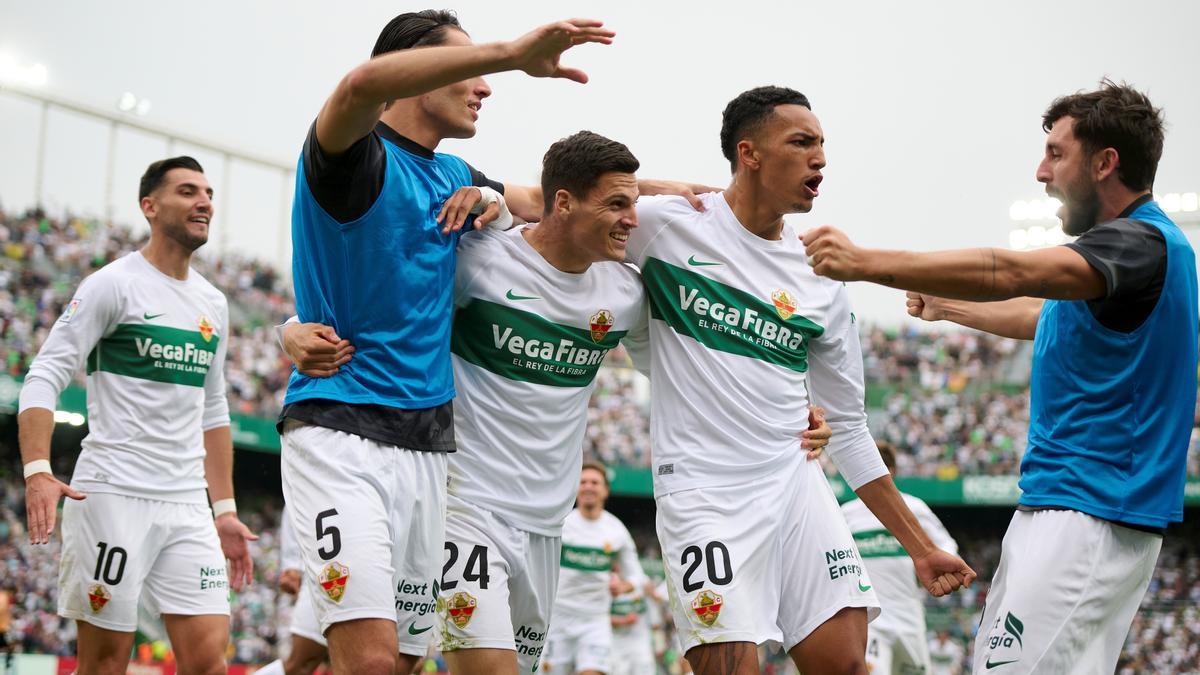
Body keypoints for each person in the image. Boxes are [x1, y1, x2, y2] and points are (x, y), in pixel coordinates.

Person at [281, 129, 811, 674]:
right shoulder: (480, 258)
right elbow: (388, 302)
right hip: (466, 507)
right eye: (617, 204)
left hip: (545, 524)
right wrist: (293, 327)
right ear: (563, 202)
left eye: (634, 203)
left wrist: (795, 409)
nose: (633, 219)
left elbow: (688, 370)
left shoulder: (625, 293)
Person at [279, 12, 712, 674]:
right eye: (468, 66)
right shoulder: (353, 159)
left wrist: (670, 195)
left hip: (430, 449)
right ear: (419, 73)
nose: (484, 85)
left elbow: (550, 198)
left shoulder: (454, 175)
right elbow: (360, 85)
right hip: (342, 428)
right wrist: (510, 52)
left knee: (404, 661)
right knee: (368, 662)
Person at [802, 79, 1197, 674]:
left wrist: (865, 263)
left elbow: (1009, 270)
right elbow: (1045, 315)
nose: (1042, 172)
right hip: (1071, 512)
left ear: (1105, 163)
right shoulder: (1130, 259)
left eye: (1056, 154)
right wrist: (950, 307)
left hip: (1088, 514)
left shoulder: (1141, 243)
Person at [623, 85, 975, 675]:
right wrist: (649, 185)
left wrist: (921, 549)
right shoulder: (667, 225)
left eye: (822, 145)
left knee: (847, 665)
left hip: (795, 486)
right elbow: (572, 207)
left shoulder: (821, 275)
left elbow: (851, 428)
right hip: (703, 494)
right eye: (802, 142)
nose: (821, 158)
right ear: (749, 153)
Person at [16, 156, 256, 675]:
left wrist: (224, 510)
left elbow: (214, 411)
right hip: (113, 496)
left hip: (187, 504)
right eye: (188, 191)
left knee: (209, 663)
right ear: (149, 206)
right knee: (104, 665)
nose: (204, 202)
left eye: (209, 193)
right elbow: (44, 375)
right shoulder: (112, 284)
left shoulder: (212, 303)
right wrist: (37, 471)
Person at [841, 442, 958, 674]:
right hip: (871, 618)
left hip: (908, 616)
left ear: (890, 471)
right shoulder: (847, 513)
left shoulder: (914, 508)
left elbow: (947, 545)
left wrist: (937, 570)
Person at [544, 463, 646, 675]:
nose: (588, 486)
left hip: (595, 619)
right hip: (557, 615)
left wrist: (622, 586)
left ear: (605, 490)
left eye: (594, 482)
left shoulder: (616, 529)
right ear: (575, 488)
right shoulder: (560, 524)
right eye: (583, 482)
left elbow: (636, 576)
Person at [258, 505, 328, 675]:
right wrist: (291, 563)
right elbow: (295, 500)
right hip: (326, 569)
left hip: (381, 570)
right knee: (301, 664)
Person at [609, 577, 658, 675]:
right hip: (617, 642)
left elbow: (653, 600)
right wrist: (623, 621)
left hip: (640, 640)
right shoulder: (608, 581)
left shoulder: (641, 579)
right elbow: (600, 617)